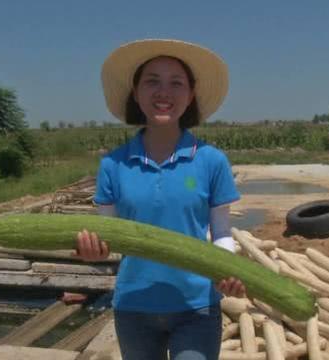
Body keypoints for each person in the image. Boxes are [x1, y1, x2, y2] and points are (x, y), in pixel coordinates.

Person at [75, 39, 246, 360]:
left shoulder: (211, 161)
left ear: (191, 95)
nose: (163, 92)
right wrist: (92, 250)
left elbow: (221, 232)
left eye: (176, 83)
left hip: (196, 306)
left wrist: (229, 270)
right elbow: (107, 235)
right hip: (134, 307)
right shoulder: (112, 165)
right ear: (136, 93)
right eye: (152, 81)